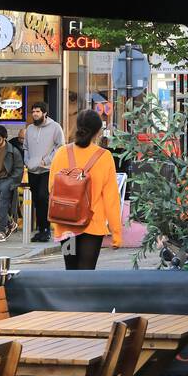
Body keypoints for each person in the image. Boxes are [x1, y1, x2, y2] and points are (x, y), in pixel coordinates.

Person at [48, 109, 123, 269]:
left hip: (66, 226)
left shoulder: (61, 153)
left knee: (71, 271)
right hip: (92, 225)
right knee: (86, 273)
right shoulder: (104, 156)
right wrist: (116, 232)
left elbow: (52, 188)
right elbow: (111, 198)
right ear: (97, 131)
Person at [24, 102, 65, 242]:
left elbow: (60, 147)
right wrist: (27, 161)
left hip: (47, 169)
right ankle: (41, 231)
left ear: (44, 113)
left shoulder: (55, 127)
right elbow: (26, 147)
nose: (35, 114)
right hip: (33, 170)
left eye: (38, 111)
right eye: (33, 111)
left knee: (43, 197)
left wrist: (47, 160)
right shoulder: (29, 129)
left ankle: (46, 230)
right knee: (36, 200)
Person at [0, 125, 24, 241]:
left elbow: (19, 168)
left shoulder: (13, 151)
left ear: (4, 137)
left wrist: (12, 181)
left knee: (2, 204)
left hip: (8, 180)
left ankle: (1, 231)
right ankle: (11, 223)